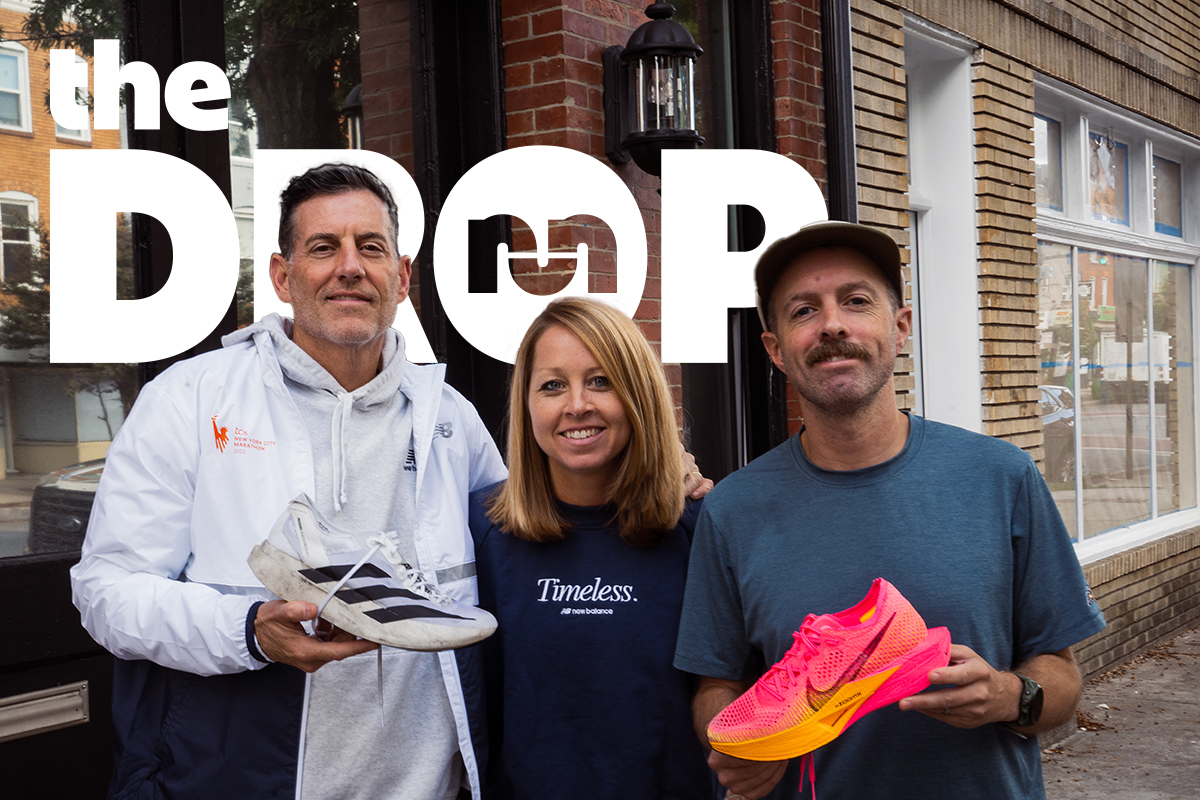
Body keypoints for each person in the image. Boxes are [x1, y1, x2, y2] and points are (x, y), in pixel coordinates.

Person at [70, 163, 508, 800]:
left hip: (430, 784)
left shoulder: (452, 418)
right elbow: (105, 592)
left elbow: (534, 538)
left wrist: (666, 485)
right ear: (283, 275)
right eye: (324, 247)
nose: (350, 266)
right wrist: (248, 630)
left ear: (402, 277)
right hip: (239, 775)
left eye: (371, 247)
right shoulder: (192, 399)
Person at [673, 221, 1106, 800]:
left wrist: (1007, 695)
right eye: (803, 311)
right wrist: (733, 746)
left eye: (856, 302)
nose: (831, 324)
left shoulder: (1002, 477)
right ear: (776, 350)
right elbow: (715, 686)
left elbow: (1063, 678)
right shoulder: (732, 508)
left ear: (899, 326)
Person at [465, 297, 717, 799]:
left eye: (601, 381)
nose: (576, 404)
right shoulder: (478, 528)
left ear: (639, 395)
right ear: (528, 404)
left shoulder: (700, 527)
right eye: (552, 385)